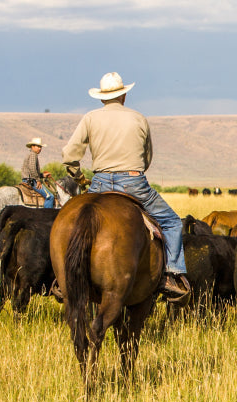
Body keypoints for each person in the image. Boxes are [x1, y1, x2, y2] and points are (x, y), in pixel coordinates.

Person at [61, 72, 190, 302]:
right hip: (133, 183)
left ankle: (59, 278)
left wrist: (80, 178)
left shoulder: (90, 118)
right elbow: (147, 157)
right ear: (124, 96)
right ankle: (172, 274)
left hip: (99, 183)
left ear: (101, 98)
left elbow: (69, 155)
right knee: (172, 222)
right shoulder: (138, 118)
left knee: (72, 222)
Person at [21, 137, 55, 208]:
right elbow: (32, 168)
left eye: (40, 147)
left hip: (27, 179)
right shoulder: (33, 155)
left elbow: (31, 171)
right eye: (38, 146)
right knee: (50, 197)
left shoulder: (30, 154)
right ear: (32, 146)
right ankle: (46, 215)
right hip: (31, 181)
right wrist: (38, 180)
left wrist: (42, 175)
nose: (40, 148)